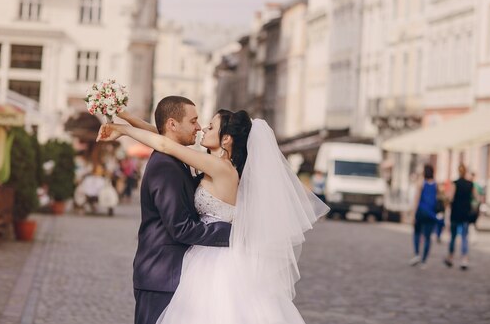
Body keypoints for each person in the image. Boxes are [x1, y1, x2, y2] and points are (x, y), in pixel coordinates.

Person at [100, 99, 328, 324]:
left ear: (226, 138)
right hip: (208, 257)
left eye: (209, 126)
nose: (201, 129)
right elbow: (165, 136)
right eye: (197, 122)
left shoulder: (219, 167)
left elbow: (165, 144)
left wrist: (122, 129)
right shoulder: (216, 163)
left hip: (216, 258)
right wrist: (127, 117)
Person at [444, 164, 480, 270]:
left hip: (455, 214)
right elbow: (477, 198)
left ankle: (450, 258)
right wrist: (472, 206)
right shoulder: (470, 184)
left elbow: (450, 198)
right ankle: (464, 260)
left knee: (453, 237)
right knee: (464, 237)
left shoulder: (455, 184)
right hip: (466, 214)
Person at [409, 165, 438, 268]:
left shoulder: (421, 183)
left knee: (417, 233)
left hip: (421, 212)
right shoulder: (436, 184)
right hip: (431, 214)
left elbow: (416, 199)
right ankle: (424, 260)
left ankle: (417, 254)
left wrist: (413, 215)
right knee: (428, 238)